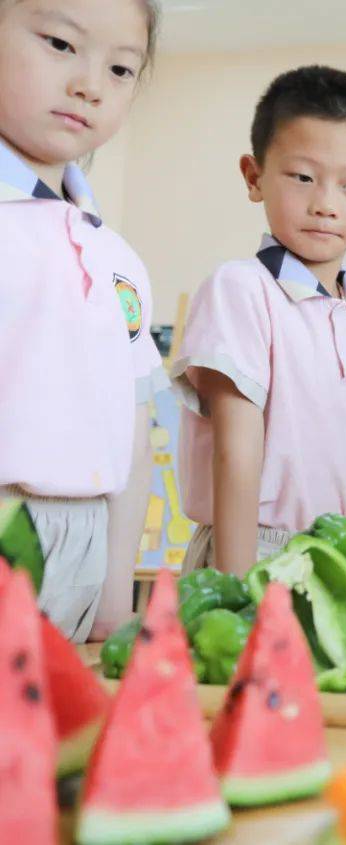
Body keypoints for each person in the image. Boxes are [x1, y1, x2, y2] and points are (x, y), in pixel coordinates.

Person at [173, 65, 346, 576]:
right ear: (254, 176)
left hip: (341, 559)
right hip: (252, 553)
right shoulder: (241, 288)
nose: (326, 204)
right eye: (303, 178)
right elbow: (237, 452)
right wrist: (235, 589)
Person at [0, 0, 165, 641]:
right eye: (61, 45)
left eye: (122, 69)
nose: (90, 85)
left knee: (61, 738)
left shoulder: (118, 257)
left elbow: (131, 432)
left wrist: (115, 601)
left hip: (86, 542)